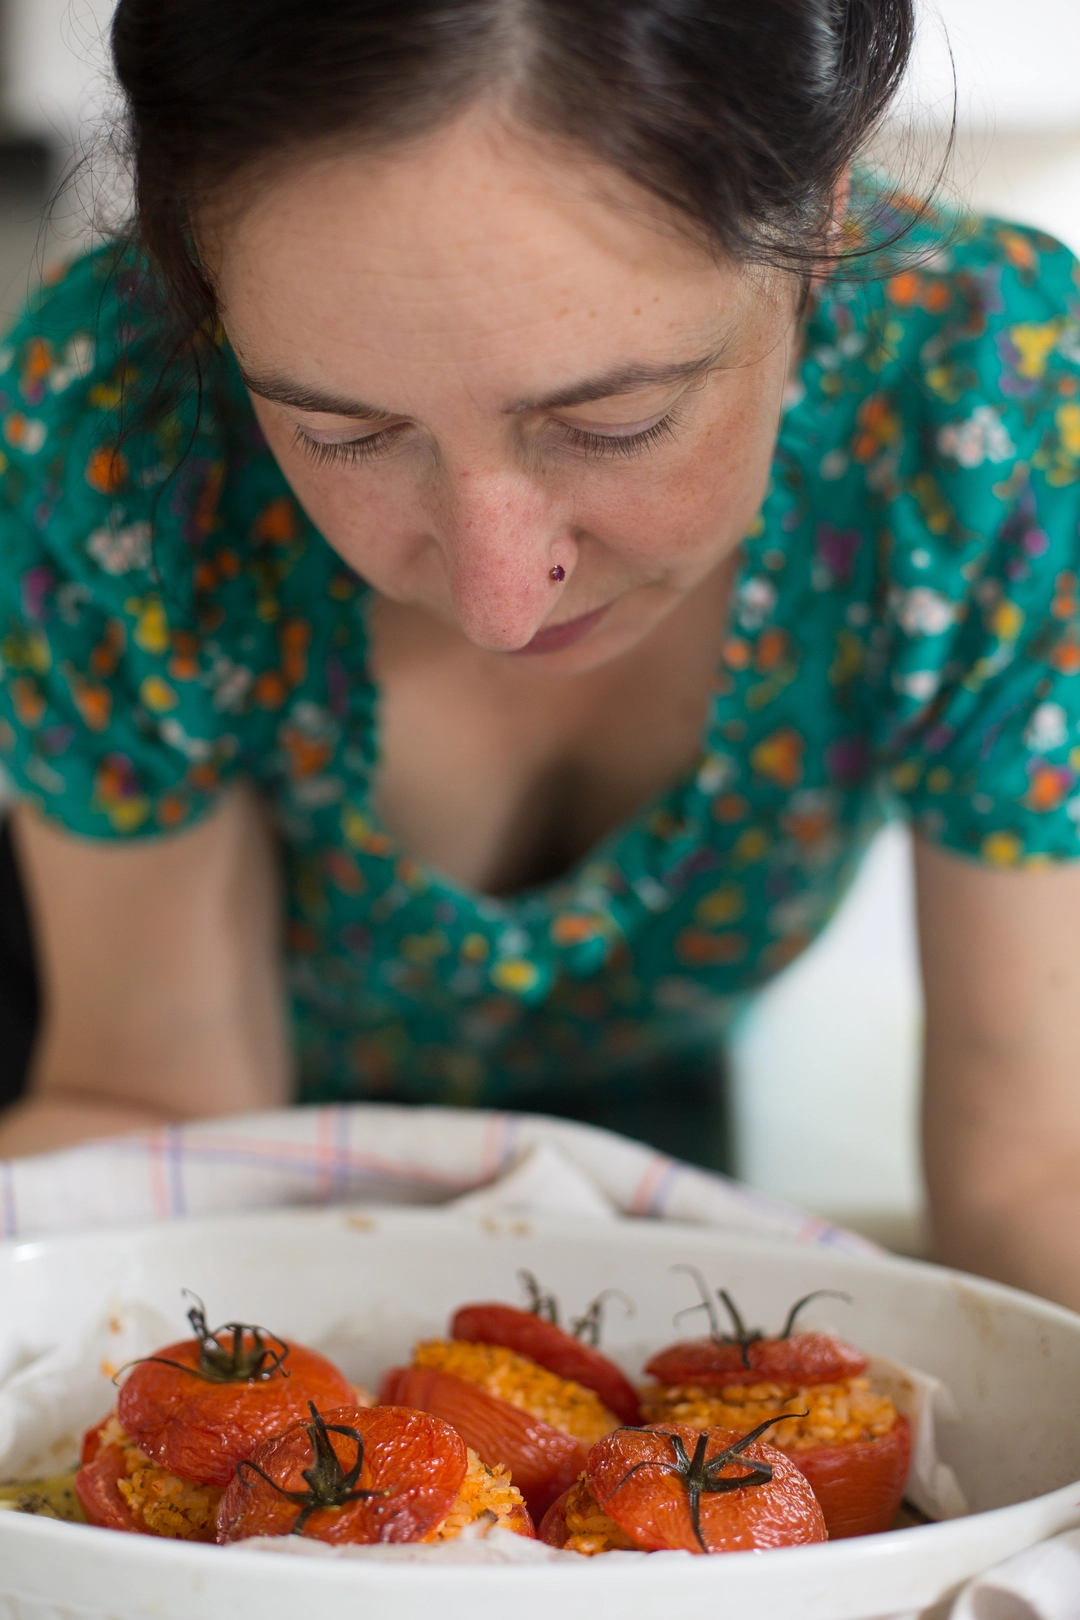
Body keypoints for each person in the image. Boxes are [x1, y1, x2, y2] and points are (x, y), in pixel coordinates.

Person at [0, 0, 1078, 1305]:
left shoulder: (992, 403)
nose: (503, 603)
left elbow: (1038, 1166)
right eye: (341, 433)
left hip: (644, 1180)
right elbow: (162, 1125)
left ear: (823, 217)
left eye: (617, 421)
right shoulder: (110, 414)